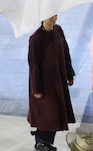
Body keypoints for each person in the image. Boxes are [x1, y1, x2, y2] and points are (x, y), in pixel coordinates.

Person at [28, 15, 75, 151]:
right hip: (44, 84)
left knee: (56, 113)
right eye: (50, 16)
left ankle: (46, 142)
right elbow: (34, 65)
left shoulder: (58, 30)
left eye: (54, 15)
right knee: (48, 114)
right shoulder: (36, 38)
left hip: (58, 79)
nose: (54, 18)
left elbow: (66, 53)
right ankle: (41, 141)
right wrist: (36, 89)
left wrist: (69, 74)